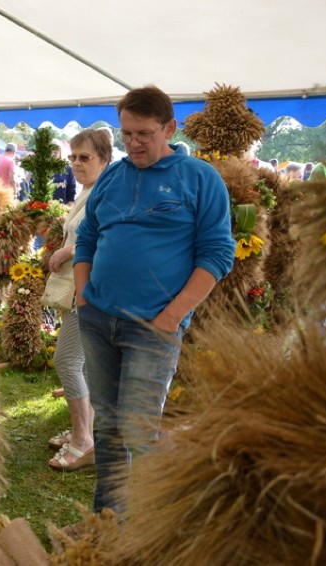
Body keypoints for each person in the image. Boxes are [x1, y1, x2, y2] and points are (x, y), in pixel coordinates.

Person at [74, 86, 234, 515]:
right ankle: (108, 523)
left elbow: (218, 254)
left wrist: (172, 317)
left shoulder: (199, 178)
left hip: (152, 327)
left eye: (144, 133)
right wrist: (83, 294)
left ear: (169, 128)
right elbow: (87, 236)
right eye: (127, 133)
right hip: (97, 318)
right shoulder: (113, 174)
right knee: (107, 426)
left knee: (140, 432)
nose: (134, 143)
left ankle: (156, 527)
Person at [45, 129, 111, 472]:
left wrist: (67, 249)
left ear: (104, 158)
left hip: (85, 292)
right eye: (72, 157)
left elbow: (100, 236)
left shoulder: (102, 192)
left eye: (84, 158)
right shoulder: (87, 190)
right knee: (83, 363)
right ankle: (83, 430)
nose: (76, 163)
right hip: (79, 288)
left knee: (67, 361)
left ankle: (84, 439)